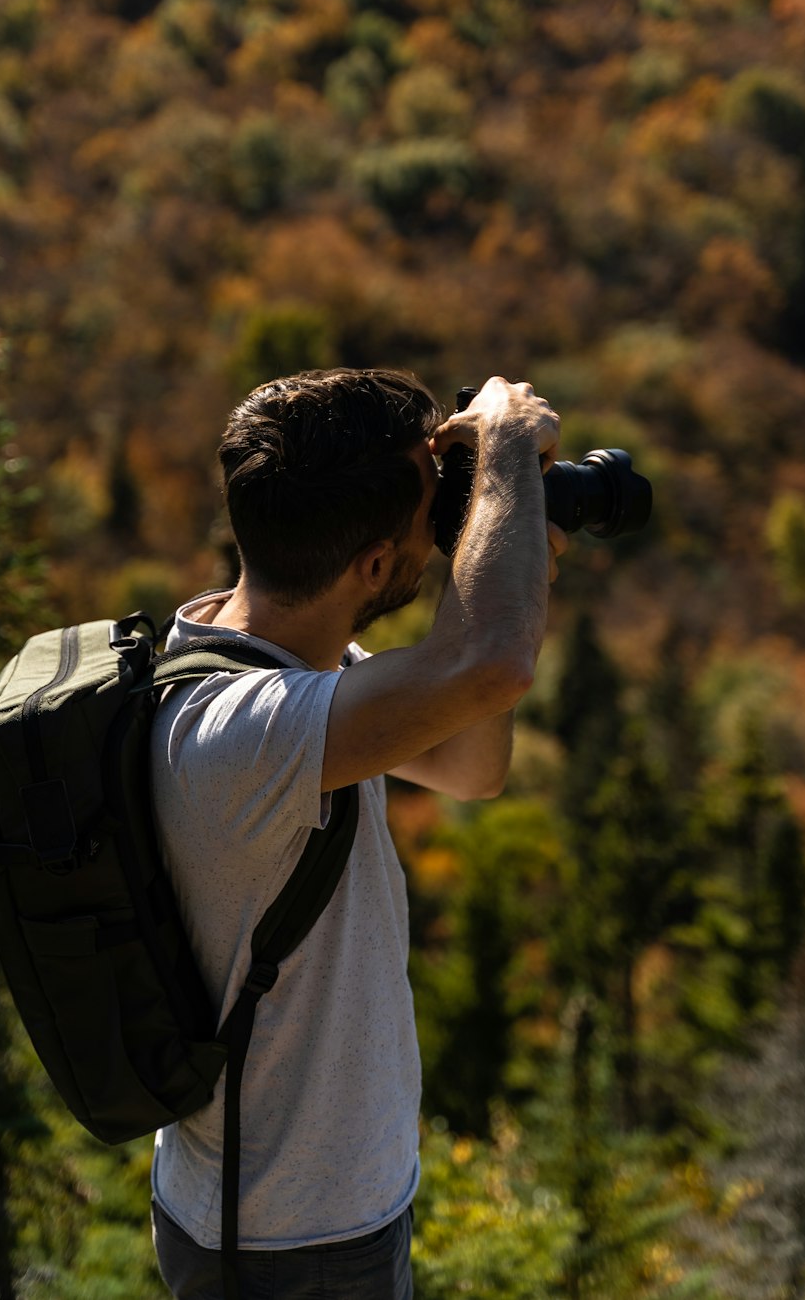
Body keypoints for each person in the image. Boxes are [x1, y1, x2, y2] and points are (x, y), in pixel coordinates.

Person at [149, 368, 566, 1300]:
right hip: (286, 1237)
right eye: (428, 521)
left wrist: (500, 547)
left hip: (311, 1206)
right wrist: (501, 453)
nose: (436, 537)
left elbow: (470, 764)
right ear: (373, 569)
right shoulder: (250, 734)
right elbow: (491, 663)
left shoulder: (260, 664)